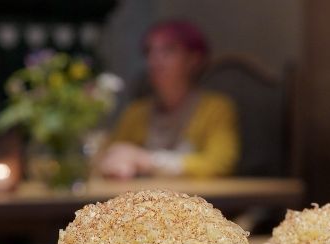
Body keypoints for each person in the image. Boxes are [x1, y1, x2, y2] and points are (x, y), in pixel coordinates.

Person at [97, 20, 240, 179]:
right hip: (145, 201)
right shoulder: (136, 112)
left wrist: (148, 161)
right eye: (150, 51)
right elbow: (109, 156)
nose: (155, 59)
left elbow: (219, 165)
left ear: (194, 59)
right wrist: (116, 165)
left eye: (168, 50)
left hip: (196, 200)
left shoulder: (216, 108)